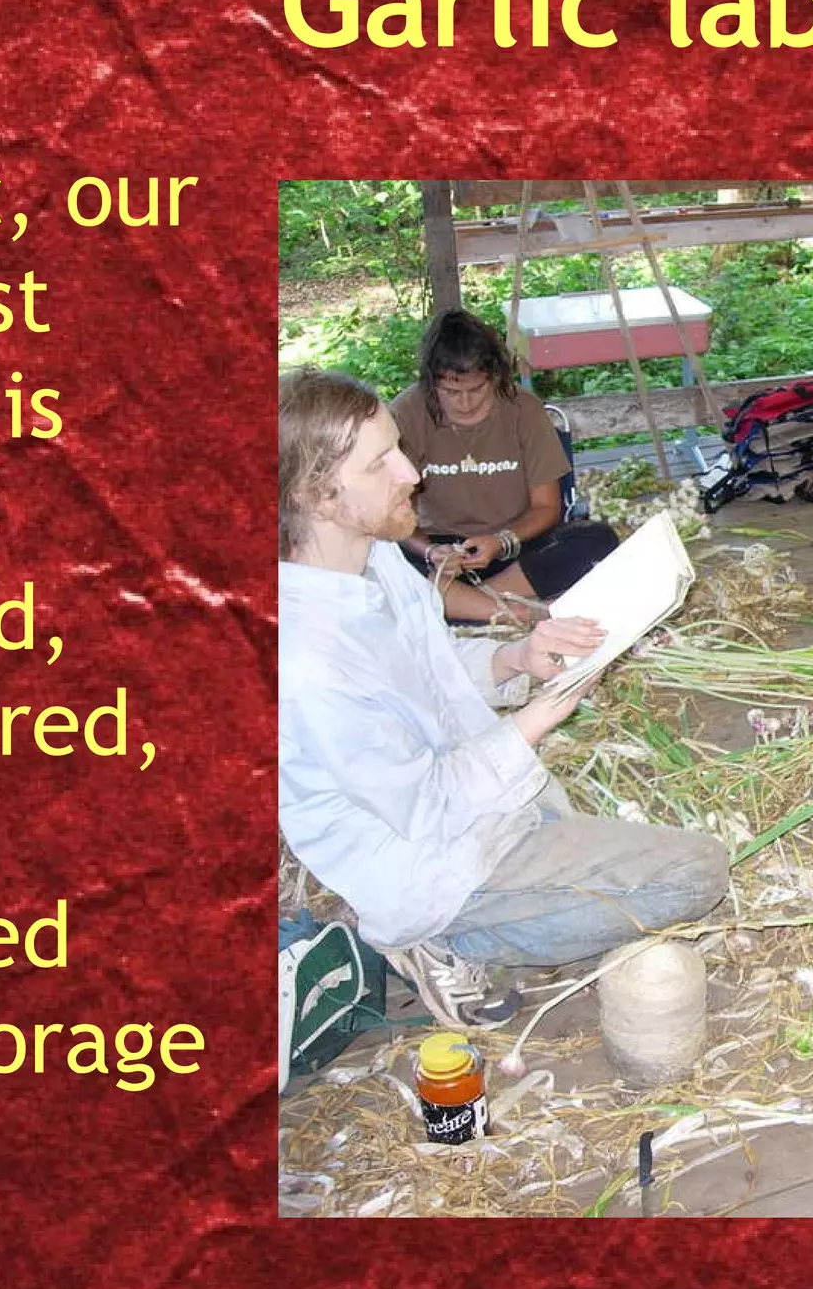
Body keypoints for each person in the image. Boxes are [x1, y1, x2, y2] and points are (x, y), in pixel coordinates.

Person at [278, 367, 728, 1028]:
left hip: (482, 804)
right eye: (381, 463)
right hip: (431, 865)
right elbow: (427, 807)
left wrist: (516, 658)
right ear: (318, 494)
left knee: (601, 839)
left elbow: (431, 669)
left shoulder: (373, 562)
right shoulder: (309, 659)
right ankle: (439, 943)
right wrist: (537, 719)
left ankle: (517, 893)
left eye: (398, 447)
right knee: (698, 874)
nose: (411, 472)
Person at [392, 308, 620, 623]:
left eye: (477, 389)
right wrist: (431, 551)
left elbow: (546, 507)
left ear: (495, 377)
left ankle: (465, 603)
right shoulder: (407, 412)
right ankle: (494, 607)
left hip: (515, 545)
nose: (465, 402)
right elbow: (392, 513)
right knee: (384, 561)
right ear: (432, 384)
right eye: (451, 392)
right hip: (443, 551)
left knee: (597, 539)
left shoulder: (523, 409)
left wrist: (501, 542)